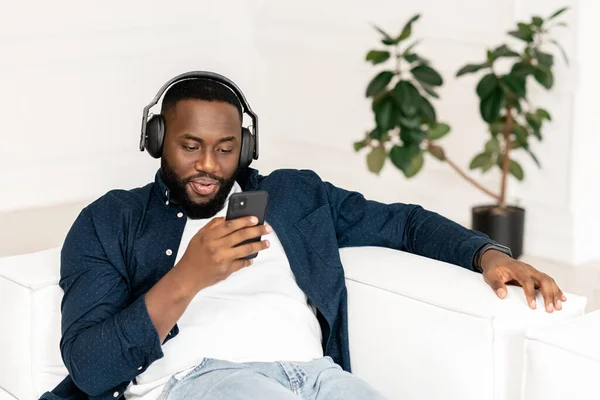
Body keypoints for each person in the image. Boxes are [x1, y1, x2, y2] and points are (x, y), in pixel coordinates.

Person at [40, 72, 566, 400]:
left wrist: (487, 254)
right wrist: (188, 278)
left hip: (318, 377)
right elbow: (89, 367)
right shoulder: (110, 220)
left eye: (225, 148)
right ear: (157, 141)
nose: (207, 164)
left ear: (245, 148)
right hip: (203, 379)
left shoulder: (295, 197)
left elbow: (403, 222)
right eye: (189, 145)